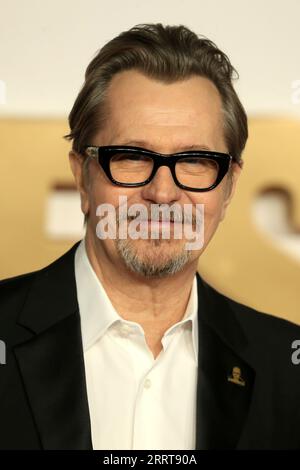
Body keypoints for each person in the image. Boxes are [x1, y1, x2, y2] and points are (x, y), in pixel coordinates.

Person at [0, 23, 300, 451]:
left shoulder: (287, 367)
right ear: (82, 177)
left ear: (229, 186)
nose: (162, 193)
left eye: (195, 160)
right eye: (132, 157)